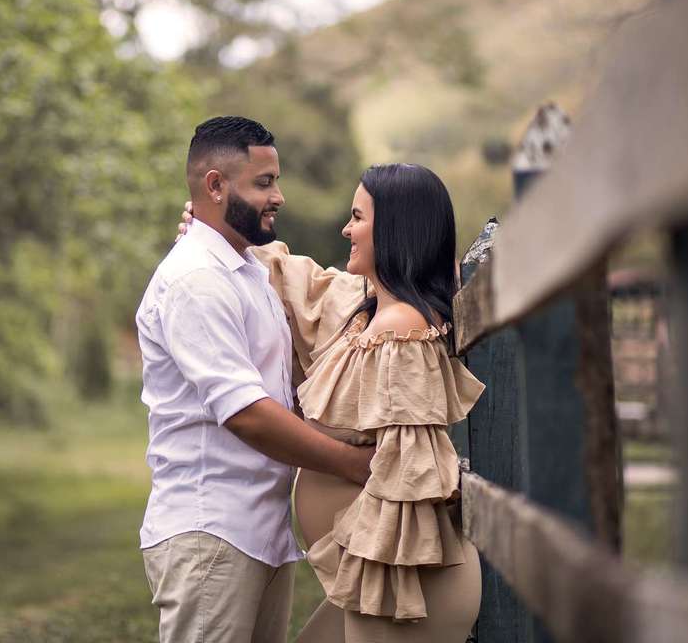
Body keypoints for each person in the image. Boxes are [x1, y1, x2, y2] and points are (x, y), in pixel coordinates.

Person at [179, 162, 486, 642]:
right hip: (379, 576)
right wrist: (218, 238)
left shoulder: (399, 330)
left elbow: (408, 472)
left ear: (395, 230)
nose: (347, 228)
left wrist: (374, 577)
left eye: (359, 217)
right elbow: (311, 289)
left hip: (399, 579)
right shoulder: (371, 315)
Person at [136, 116, 376, 643]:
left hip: (258, 530)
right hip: (210, 531)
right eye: (264, 183)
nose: (279, 197)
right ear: (216, 185)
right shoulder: (197, 280)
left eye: (276, 181)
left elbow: (283, 392)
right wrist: (356, 464)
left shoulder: (246, 272)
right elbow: (247, 414)